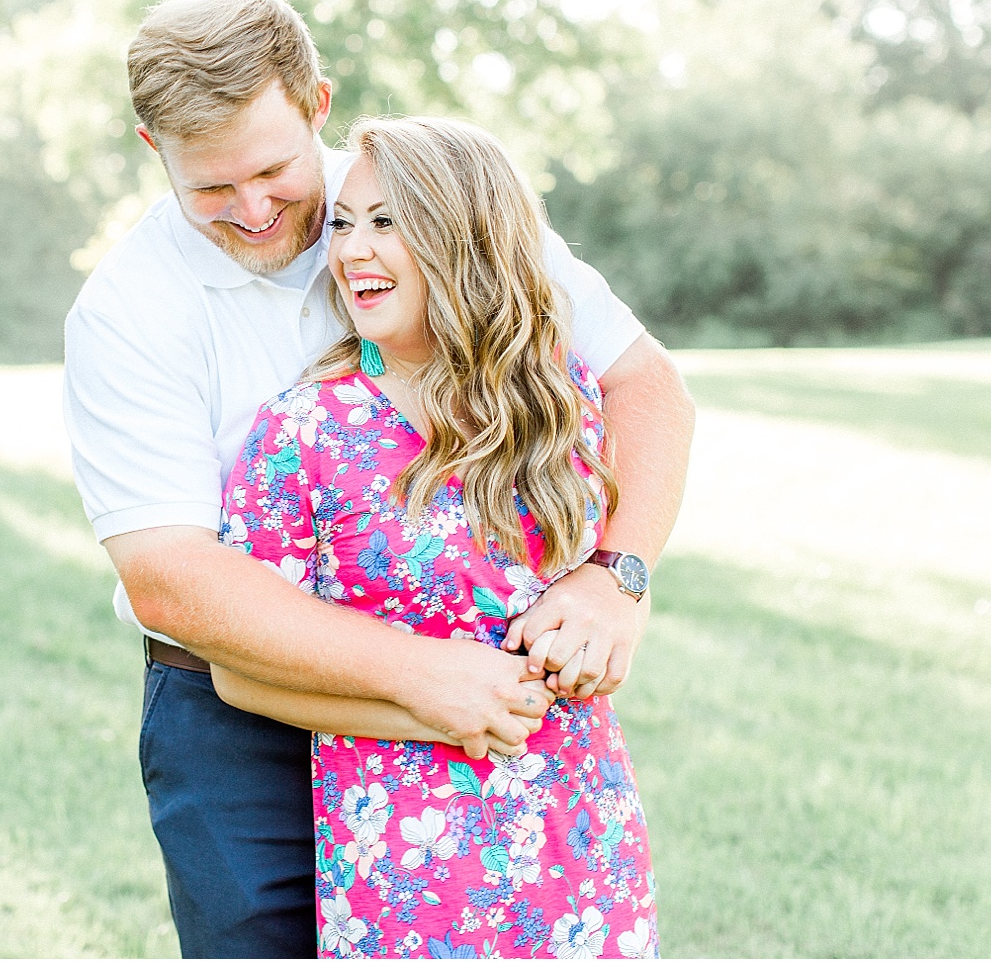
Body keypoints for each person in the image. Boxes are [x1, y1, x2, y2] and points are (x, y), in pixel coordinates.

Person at [63, 0, 695, 958]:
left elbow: (643, 384)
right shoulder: (130, 310)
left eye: (273, 169)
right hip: (242, 705)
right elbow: (169, 575)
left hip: (498, 685)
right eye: (213, 189)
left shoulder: (434, 212)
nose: (255, 207)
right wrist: (422, 679)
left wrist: (618, 577)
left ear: (317, 105)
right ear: (156, 151)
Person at [211, 116, 658, 958]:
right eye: (344, 225)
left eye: (387, 221)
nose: (351, 252)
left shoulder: (558, 390)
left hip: (583, 840)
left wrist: (615, 607)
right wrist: (429, 707)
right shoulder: (304, 431)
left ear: (465, 234)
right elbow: (239, 673)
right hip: (410, 867)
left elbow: (601, 569)